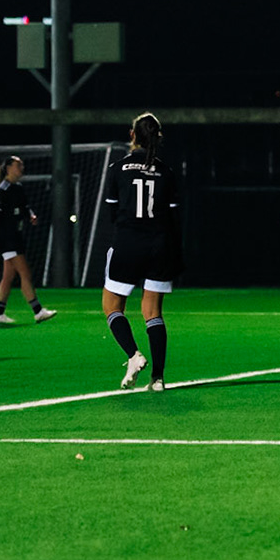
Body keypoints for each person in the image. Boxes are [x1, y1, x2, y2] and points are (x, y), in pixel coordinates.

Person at [101, 113, 182, 390]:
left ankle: (134, 355)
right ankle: (158, 378)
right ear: (157, 138)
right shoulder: (166, 171)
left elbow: (113, 212)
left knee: (111, 307)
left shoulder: (117, 167)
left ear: (132, 135)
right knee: (153, 311)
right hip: (159, 244)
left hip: (128, 243)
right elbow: (173, 217)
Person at [0, 155, 56, 325]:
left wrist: (31, 215)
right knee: (25, 273)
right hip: (8, 238)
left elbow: (25, 207)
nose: (22, 169)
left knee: (8, 276)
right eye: (18, 165)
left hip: (16, 236)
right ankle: (38, 311)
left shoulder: (17, 188)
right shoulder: (2, 190)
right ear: (8, 168)